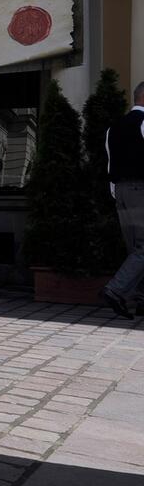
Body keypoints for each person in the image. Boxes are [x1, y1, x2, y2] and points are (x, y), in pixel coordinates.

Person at [100, 82, 144, 319]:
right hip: (141, 189)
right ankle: (115, 290)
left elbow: (110, 165)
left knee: (136, 249)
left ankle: (141, 301)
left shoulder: (112, 128)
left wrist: (116, 194)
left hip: (122, 191)